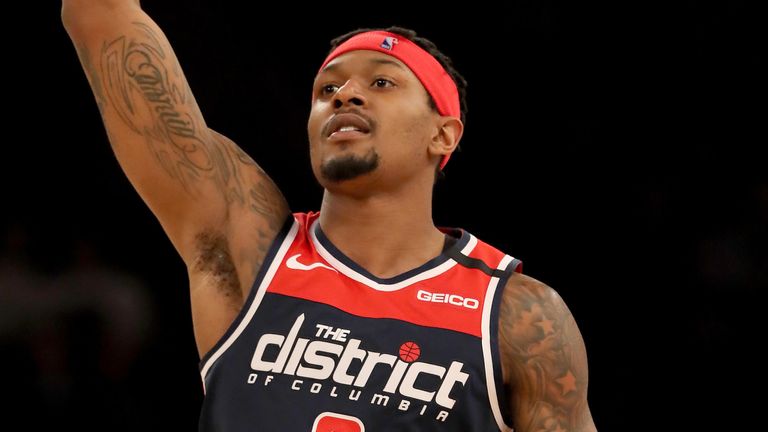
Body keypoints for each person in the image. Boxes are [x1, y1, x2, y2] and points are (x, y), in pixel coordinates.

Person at [62, 1, 597, 430]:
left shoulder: (518, 316)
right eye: (327, 89)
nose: (345, 96)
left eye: (382, 83)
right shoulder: (250, 248)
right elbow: (100, 16)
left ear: (444, 134)